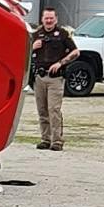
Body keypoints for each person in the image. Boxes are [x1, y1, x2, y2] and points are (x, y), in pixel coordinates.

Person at [30, 10, 78, 152]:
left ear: (56, 19)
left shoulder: (62, 34)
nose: (49, 21)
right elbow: (23, 52)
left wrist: (60, 63)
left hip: (55, 78)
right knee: (42, 110)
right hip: (39, 78)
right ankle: (45, 139)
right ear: (42, 19)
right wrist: (32, 47)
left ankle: (57, 141)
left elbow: (75, 52)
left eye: (51, 18)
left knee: (54, 110)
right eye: (46, 18)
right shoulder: (36, 35)